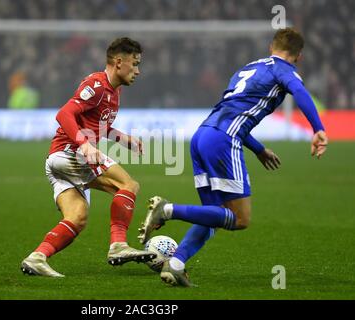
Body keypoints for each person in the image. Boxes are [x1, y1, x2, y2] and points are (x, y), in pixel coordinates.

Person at [138, 28, 328, 287]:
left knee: (214, 215)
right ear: (299, 56)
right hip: (223, 141)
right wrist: (318, 128)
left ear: (271, 46)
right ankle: (167, 210)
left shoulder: (247, 69)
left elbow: (229, 112)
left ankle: (176, 264)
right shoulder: (284, 69)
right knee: (240, 219)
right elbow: (301, 92)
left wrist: (258, 149)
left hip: (202, 135)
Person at [21, 37, 155, 277]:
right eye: (134, 64)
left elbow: (97, 124)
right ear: (118, 62)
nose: (138, 70)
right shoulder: (96, 84)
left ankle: (37, 257)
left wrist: (123, 138)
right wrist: (84, 145)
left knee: (78, 217)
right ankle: (118, 245)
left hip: (57, 161)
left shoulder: (114, 92)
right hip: (71, 153)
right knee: (128, 185)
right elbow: (64, 114)